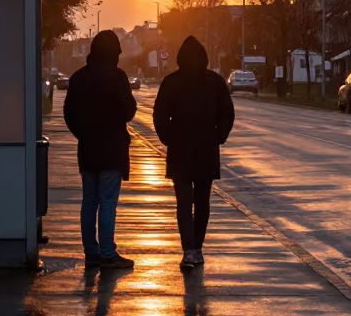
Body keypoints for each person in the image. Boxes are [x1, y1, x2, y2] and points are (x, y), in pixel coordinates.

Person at [153, 35, 235, 269]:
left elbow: (159, 115)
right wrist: (219, 136)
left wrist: (168, 138)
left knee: (183, 202)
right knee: (202, 201)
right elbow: (227, 114)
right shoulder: (216, 82)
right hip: (207, 148)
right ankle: (197, 247)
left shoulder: (171, 82)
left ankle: (188, 248)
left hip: (180, 149)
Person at [63, 29, 137, 269]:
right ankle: (107, 252)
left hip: (88, 148)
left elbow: (69, 114)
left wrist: (83, 134)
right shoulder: (117, 77)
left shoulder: (78, 78)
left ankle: (91, 252)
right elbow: (129, 111)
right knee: (107, 202)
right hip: (112, 148)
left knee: (89, 200)